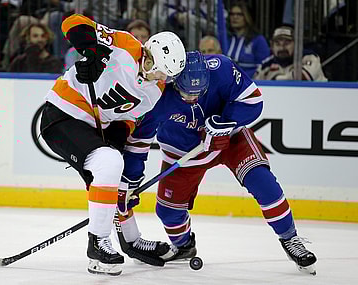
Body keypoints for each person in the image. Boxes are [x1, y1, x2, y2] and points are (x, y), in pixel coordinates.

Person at [118, 51, 318, 275]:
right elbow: (139, 142)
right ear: (173, 81)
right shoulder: (157, 94)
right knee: (168, 213)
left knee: (264, 184)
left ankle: (290, 238)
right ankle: (184, 246)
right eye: (185, 93)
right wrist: (131, 179)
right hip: (182, 154)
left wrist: (225, 122)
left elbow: (253, 100)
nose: (192, 98)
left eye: (198, 93)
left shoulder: (221, 68)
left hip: (230, 140)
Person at [39, 13, 186, 276]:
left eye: (167, 75)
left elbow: (126, 121)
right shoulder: (126, 45)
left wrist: (117, 142)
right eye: (162, 70)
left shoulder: (155, 90)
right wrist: (91, 51)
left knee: (118, 177)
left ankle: (130, 240)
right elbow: (72, 22)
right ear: (151, 57)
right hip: (61, 115)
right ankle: (98, 244)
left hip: (91, 129)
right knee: (110, 162)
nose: (162, 77)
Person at [254, 25, 328, 81]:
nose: (282, 48)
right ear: (272, 46)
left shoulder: (309, 57)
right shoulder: (266, 65)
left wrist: (276, 78)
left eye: (287, 43)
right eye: (277, 44)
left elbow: (303, 77)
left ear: (296, 44)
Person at [226, 1, 270, 78]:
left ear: (247, 17)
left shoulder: (258, 40)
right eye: (232, 14)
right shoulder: (226, 38)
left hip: (251, 83)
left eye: (239, 14)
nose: (235, 17)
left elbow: (264, 67)